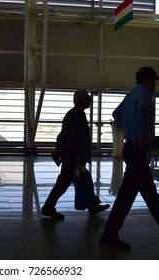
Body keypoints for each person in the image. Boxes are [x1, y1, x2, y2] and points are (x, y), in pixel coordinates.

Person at [100, 66, 159, 250]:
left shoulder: (131, 94)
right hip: (138, 150)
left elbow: (116, 114)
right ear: (148, 80)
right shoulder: (146, 94)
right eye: (154, 80)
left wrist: (128, 131)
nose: (155, 83)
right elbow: (143, 112)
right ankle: (109, 235)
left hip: (129, 148)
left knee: (149, 194)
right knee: (127, 197)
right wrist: (141, 136)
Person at [41, 89, 109, 219]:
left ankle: (92, 205)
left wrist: (60, 149)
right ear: (80, 100)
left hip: (69, 154)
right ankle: (48, 207)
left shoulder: (73, 114)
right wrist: (79, 154)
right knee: (65, 182)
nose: (90, 100)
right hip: (72, 156)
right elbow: (75, 136)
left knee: (81, 180)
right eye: (87, 98)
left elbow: (62, 135)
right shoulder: (77, 114)